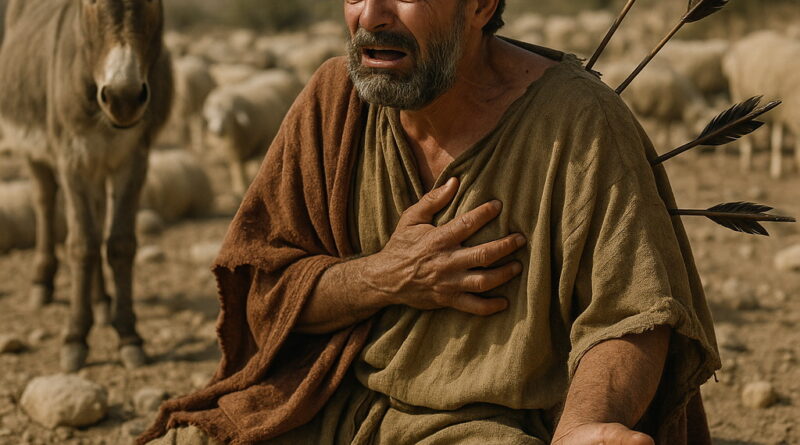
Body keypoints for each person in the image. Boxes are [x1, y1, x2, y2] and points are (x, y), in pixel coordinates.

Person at [140, 1, 720, 444]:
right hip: (331, 404)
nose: (371, 15)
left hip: (483, 427)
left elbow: (633, 316)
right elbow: (263, 293)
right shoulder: (334, 99)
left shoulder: (579, 124)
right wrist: (384, 276)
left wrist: (588, 425)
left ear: (480, 6)